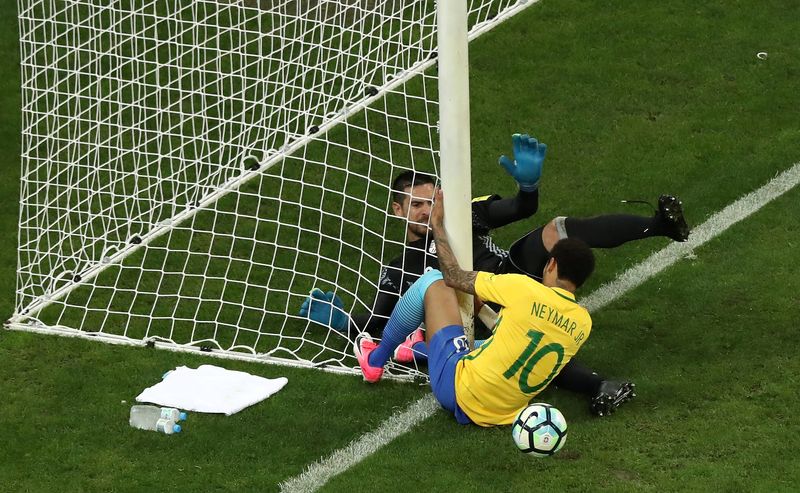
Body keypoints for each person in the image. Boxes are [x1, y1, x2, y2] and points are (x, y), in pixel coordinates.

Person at [301, 133, 689, 415]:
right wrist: (340, 321)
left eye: (433, 199)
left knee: (554, 230)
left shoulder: (465, 213)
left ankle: (659, 226)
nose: (428, 210)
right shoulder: (401, 267)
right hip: (479, 321)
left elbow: (522, 208)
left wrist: (528, 185)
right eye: (417, 204)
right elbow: (373, 322)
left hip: (510, 279)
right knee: (526, 338)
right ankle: (596, 384)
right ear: (398, 210)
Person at [355, 188, 597, 426]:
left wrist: (438, 225)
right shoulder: (583, 323)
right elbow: (511, 335)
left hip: (459, 391)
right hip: (504, 413)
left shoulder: (523, 288)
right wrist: (479, 308)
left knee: (434, 282)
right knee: (504, 343)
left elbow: (453, 277)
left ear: (551, 264)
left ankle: (375, 361)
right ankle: (418, 349)